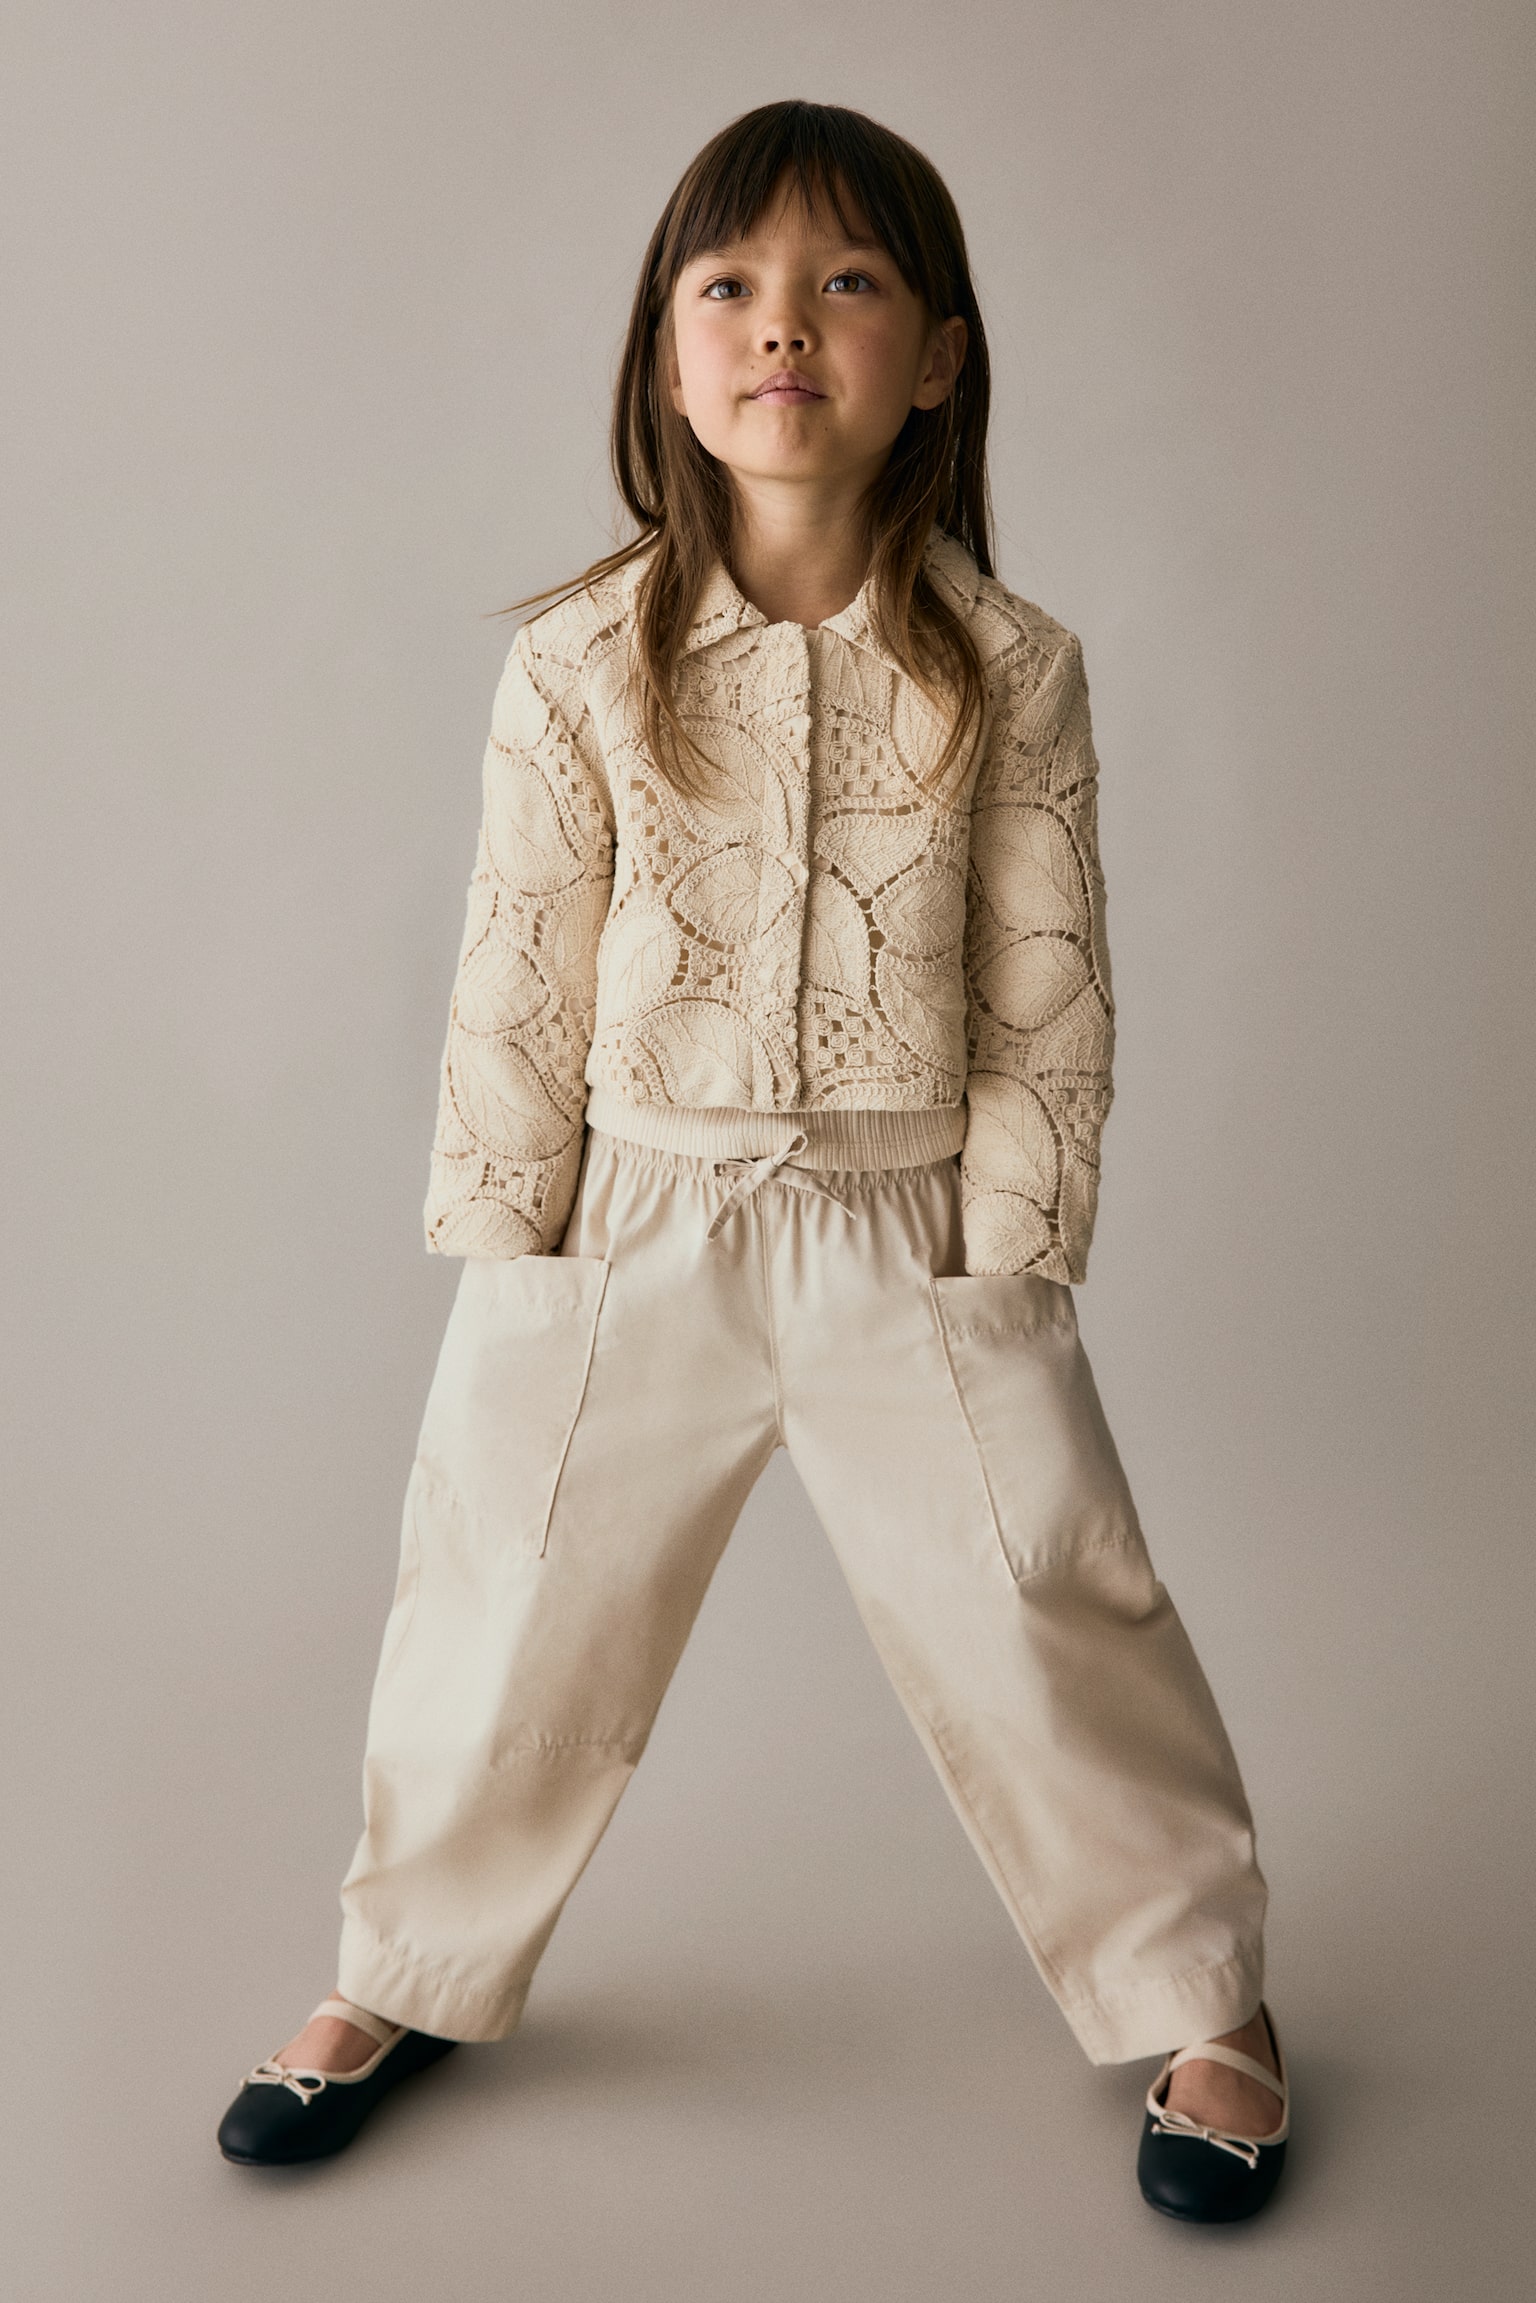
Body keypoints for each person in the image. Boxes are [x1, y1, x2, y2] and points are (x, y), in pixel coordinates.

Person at [216, 99, 1289, 2223]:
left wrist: (1010, 1253)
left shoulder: (1014, 671)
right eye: (732, 285)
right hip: (632, 1220)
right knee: (505, 1598)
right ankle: (399, 1969)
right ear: (666, 354)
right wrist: (515, 1251)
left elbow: (1047, 984)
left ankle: (1205, 1998)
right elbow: (518, 966)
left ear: (940, 358)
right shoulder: (579, 657)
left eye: (848, 282)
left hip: (914, 1222)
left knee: (1045, 1594)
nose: (784, 324)